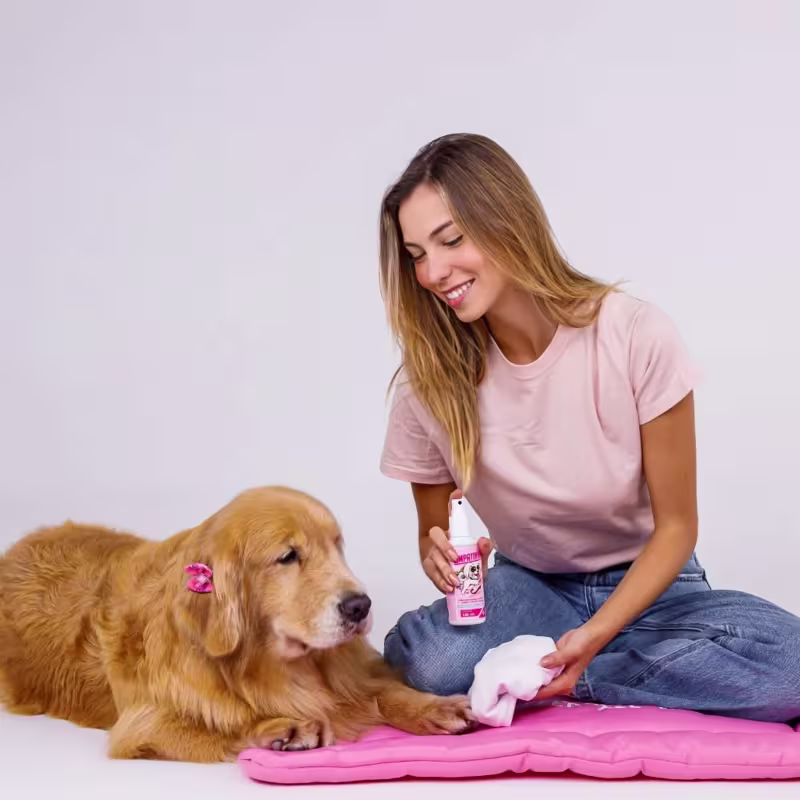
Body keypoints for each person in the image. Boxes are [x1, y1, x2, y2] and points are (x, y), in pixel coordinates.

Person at [376, 133, 800, 724]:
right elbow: (437, 532)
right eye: (417, 254)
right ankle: (611, 663)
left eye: (451, 241)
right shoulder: (429, 383)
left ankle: (558, 676)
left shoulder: (633, 334)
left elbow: (678, 527)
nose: (433, 272)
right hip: (530, 588)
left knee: (792, 667)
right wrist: (438, 551)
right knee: (430, 664)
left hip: (653, 587)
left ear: (506, 220)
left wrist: (596, 637)